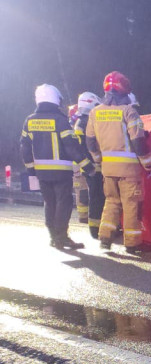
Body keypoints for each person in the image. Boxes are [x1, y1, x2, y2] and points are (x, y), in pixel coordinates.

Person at [85, 71, 151, 255]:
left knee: (111, 201)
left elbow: (90, 141)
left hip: (108, 170)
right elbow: (138, 141)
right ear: (124, 90)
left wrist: (99, 160)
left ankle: (105, 238)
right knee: (131, 204)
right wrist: (148, 164)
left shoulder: (94, 112)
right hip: (129, 170)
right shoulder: (129, 111)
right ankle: (132, 243)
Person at [20, 84, 93, 249]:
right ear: (55, 99)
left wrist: (31, 169)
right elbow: (71, 147)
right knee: (64, 202)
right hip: (61, 172)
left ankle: (53, 237)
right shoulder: (60, 120)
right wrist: (88, 166)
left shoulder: (29, 120)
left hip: (41, 173)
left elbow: (24, 147)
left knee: (49, 202)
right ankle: (61, 237)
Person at [72, 91, 104, 238]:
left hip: (89, 166)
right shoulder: (86, 123)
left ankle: (95, 228)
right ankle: (95, 229)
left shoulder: (80, 121)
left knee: (95, 196)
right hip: (93, 166)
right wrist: (90, 166)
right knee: (97, 197)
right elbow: (86, 147)